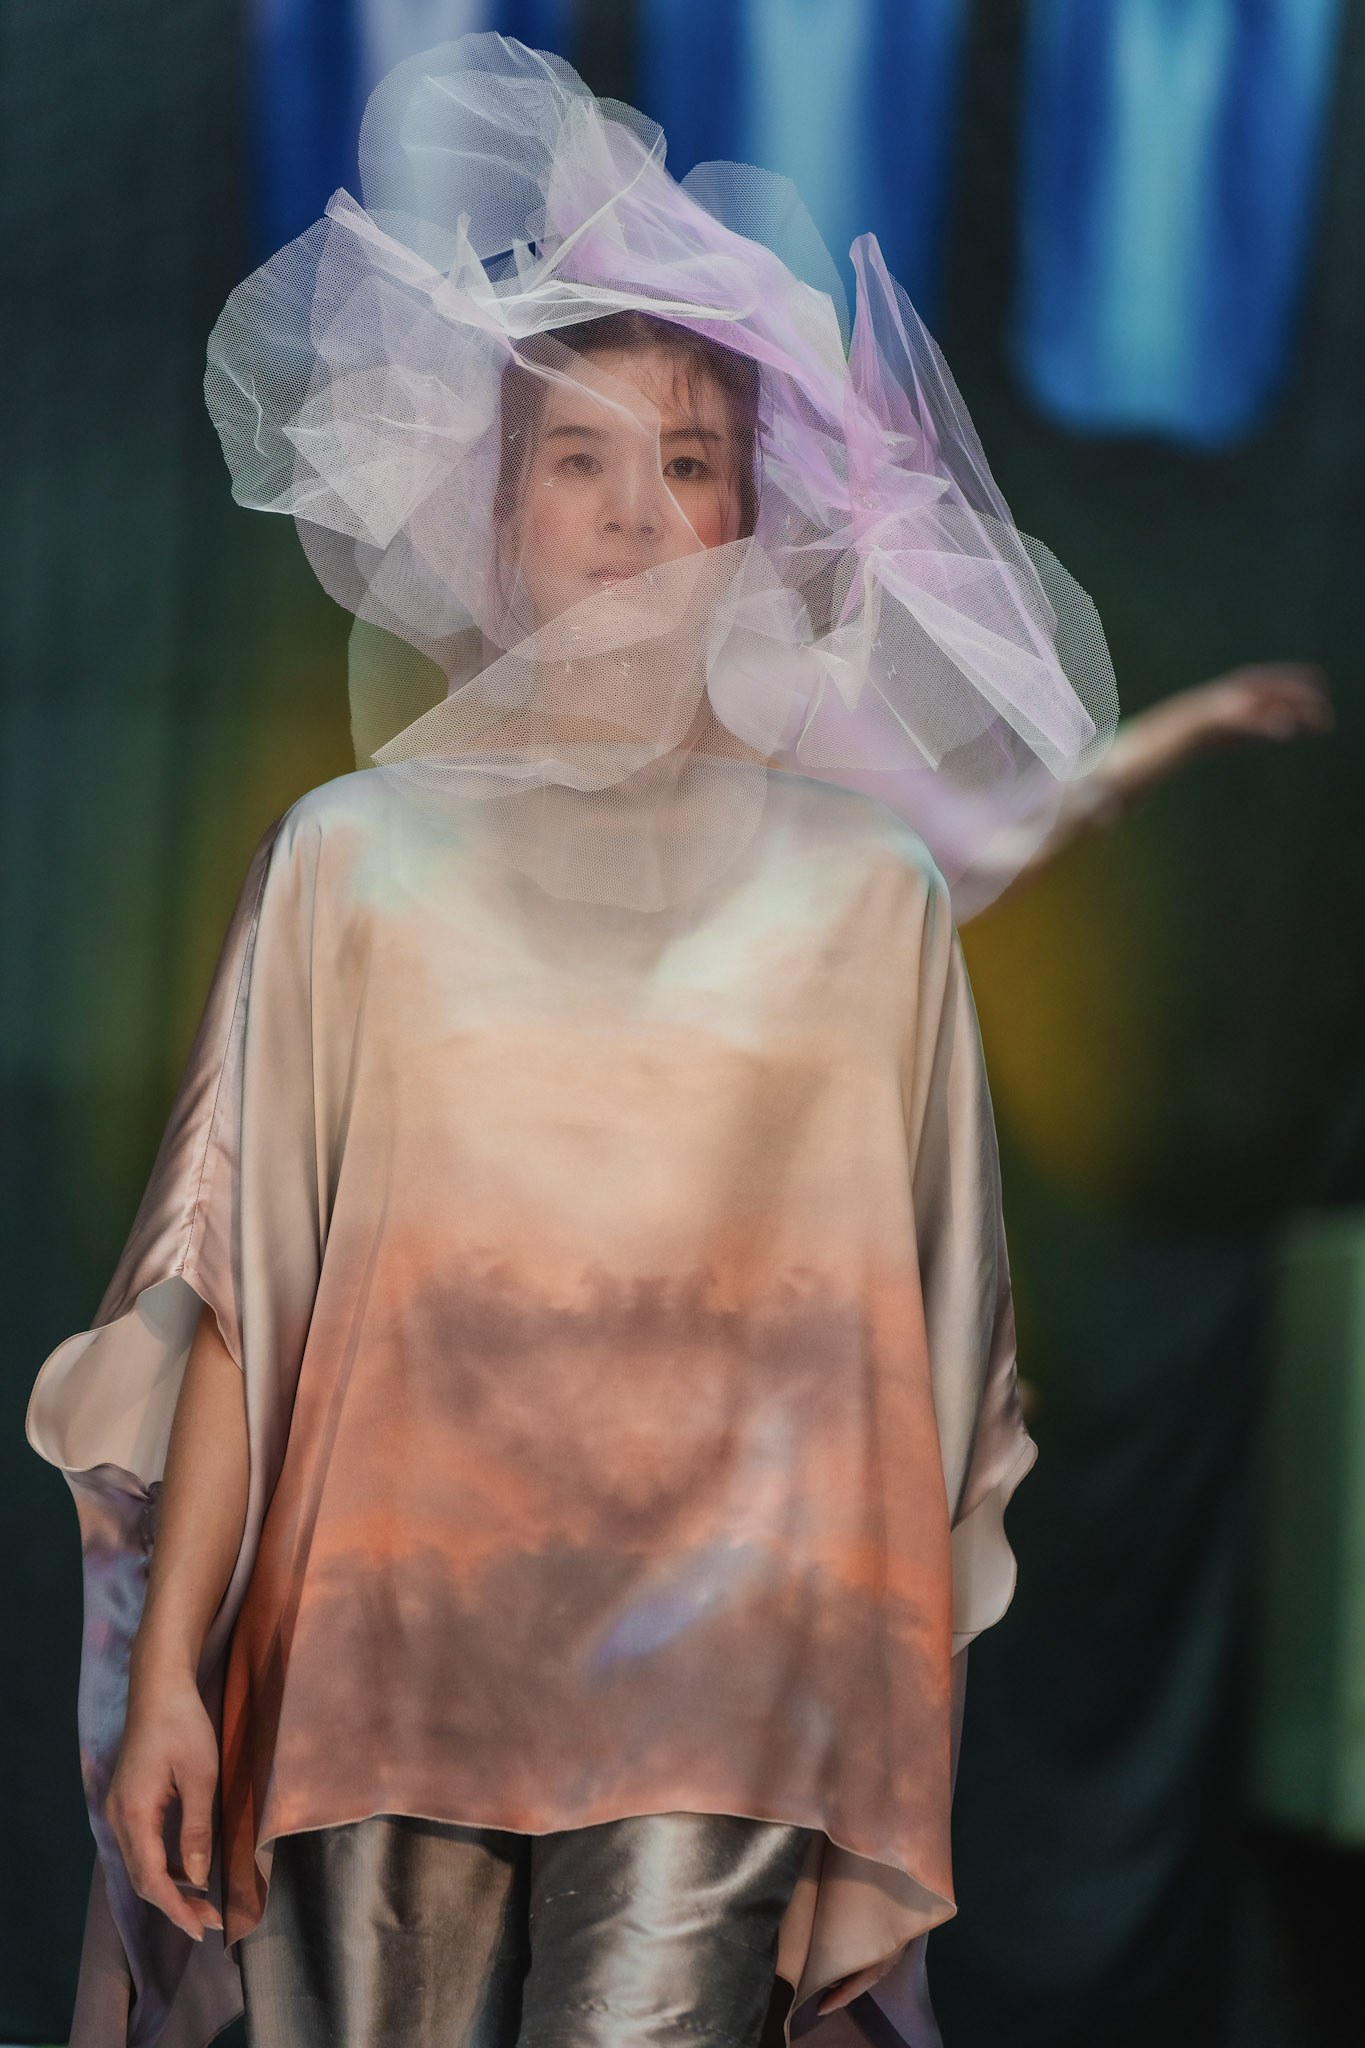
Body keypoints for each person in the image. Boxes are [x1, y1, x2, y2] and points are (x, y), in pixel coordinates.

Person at [27, 36, 1120, 2048]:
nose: (632, 518)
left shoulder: (863, 894)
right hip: (370, 1633)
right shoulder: (352, 860)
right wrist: (172, 1670)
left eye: (688, 463)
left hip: (733, 1659)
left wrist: (881, 1729)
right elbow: (249, 1293)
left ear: (756, 519)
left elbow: (926, 1353)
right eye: (577, 461)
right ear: (496, 510)